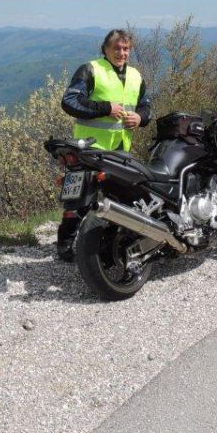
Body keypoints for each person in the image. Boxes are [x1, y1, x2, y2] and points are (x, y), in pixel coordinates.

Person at [55, 28, 152, 260]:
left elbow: (146, 107)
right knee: (79, 200)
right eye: (116, 48)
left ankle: (110, 242)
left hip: (120, 150)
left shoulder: (137, 76)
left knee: (122, 199)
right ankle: (65, 247)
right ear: (105, 49)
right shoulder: (91, 70)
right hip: (89, 149)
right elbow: (69, 102)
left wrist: (140, 118)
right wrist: (105, 108)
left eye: (126, 48)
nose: (122, 52)